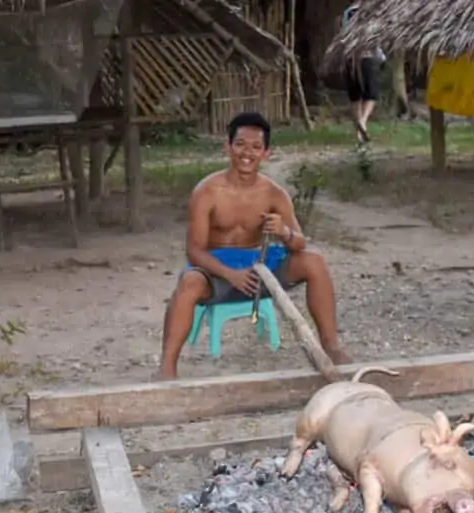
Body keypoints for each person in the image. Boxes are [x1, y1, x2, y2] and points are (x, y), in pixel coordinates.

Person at [157, 112, 352, 380]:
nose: (247, 153)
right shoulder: (207, 192)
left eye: (256, 147)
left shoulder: (274, 193)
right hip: (218, 271)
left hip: (260, 268)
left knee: (314, 260)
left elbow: (299, 242)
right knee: (189, 282)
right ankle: (167, 368)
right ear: (228, 147)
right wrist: (231, 275)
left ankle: (331, 346)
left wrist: (283, 231)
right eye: (240, 145)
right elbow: (195, 251)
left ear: (266, 153)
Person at [339, 1, 385, 143]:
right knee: (372, 95)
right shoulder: (373, 12)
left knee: (355, 96)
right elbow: (374, 37)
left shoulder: (348, 13)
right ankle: (363, 122)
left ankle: (359, 130)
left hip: (350, 57)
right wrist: (382, 57)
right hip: (367, 56)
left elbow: (344, 36)